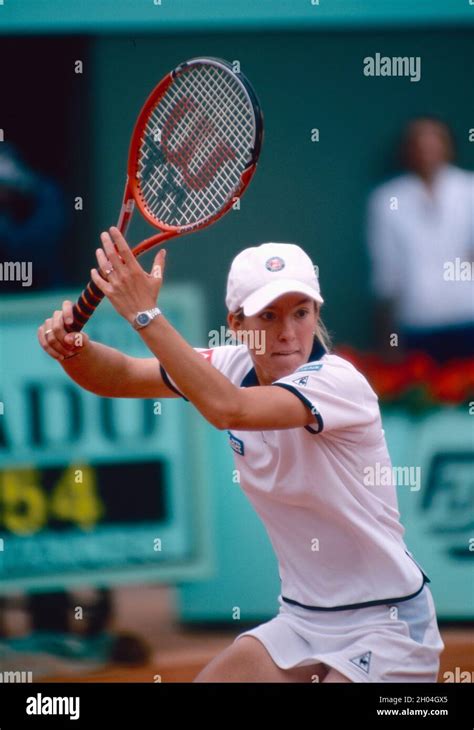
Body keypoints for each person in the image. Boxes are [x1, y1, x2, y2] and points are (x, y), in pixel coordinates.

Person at [37, 229, 445, 683]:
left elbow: (228, 408)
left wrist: (145, 314)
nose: (287, 333)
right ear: (236, 323)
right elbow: (122, 376)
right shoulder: (230, 367)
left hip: (386, 626)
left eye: (301, 312)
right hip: (303, 620)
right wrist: (73, 350)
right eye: (268, 315)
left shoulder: (338, 383)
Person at [367, 117, 474, 363]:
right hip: (418, 322)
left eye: (434, 142)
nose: (427, 151)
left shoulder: (470, 189)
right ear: (408, 151)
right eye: (419, 144)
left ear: (448, 146)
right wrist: (388, 340)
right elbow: (387, 275)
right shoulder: (386, 200)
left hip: (469, 316)